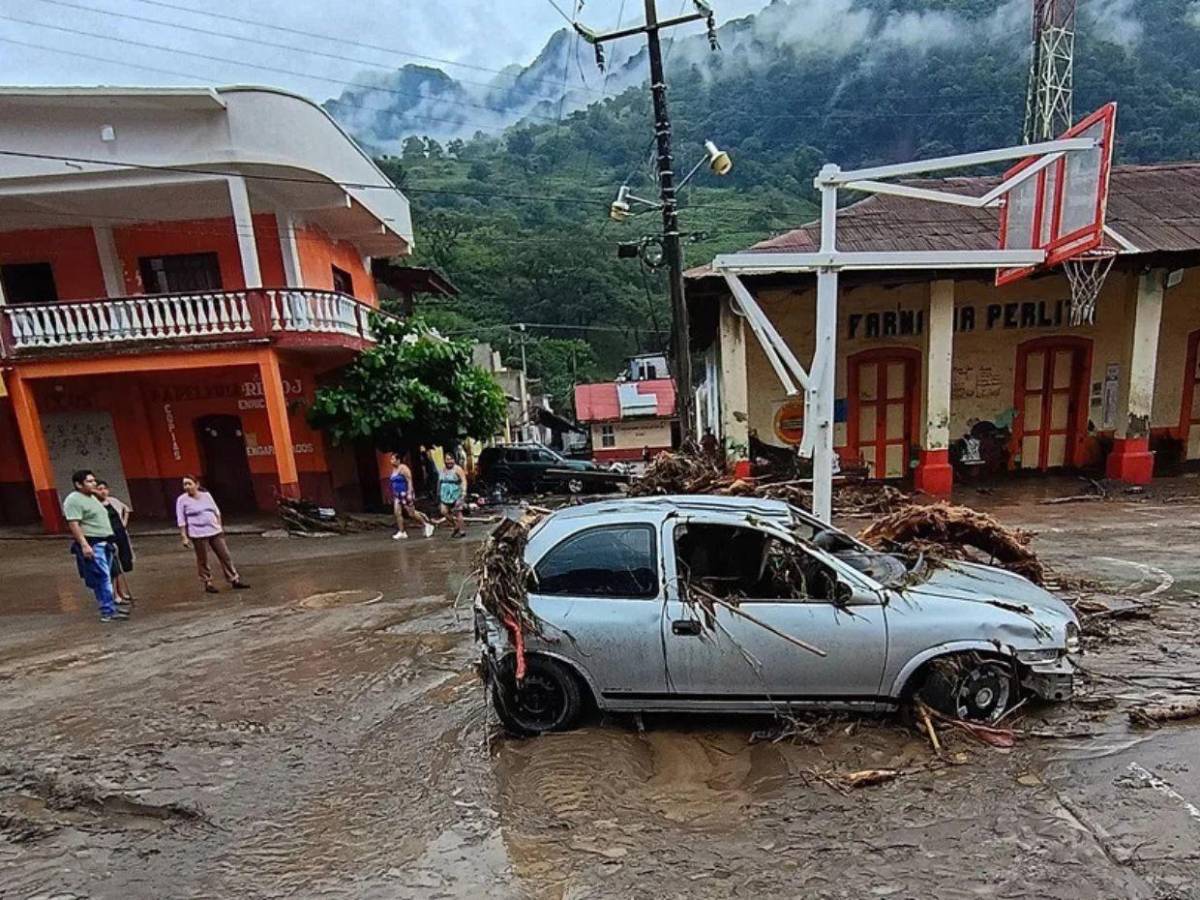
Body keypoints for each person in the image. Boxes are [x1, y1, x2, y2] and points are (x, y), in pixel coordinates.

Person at [62, 469, 129, 623]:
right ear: (78, 484)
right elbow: (74, 523)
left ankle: (109, 607)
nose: (93, 484)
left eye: (94, 481)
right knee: (103, 578)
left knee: (107, 576)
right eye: (89, 481)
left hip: (105, 541)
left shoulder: (92, 497)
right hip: (94, 542)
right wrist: (84, 545)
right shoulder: (74, 500)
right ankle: (107, 611)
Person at [176, 475, 249, 594]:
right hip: (197, 533)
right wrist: (184, 536)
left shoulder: (206, 496)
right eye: (185, 484)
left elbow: (216, 511)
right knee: (203, 559)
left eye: (189, 484)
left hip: (214, 530)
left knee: (225, 555)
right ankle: (207, 582)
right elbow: (181, 519)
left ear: (197, 484)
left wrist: (219, 527)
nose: (187, 487)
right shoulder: (182, 500)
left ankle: (234, 579)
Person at [94, 480, 135, 604]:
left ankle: (121, 592)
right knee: (112, 568)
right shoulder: (95, 505)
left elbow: (126, 509)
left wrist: (124, 524)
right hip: (108, 538)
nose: (102, 491)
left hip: (120, 536)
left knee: (120, 566)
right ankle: (114, 595)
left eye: (104, 488)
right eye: (99, 489)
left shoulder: (112, 501)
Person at [389, 452, 435, 540]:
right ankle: (401, 531)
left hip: (405, 493)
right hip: (397, 494)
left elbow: (409, 481)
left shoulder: (403, 468)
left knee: (411, 513)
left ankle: (426, 524)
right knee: (397, 512)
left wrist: (409, 493)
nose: (391, 461)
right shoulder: (393, 470)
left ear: (398, 460)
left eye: (393, 459)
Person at [438, 455, 468, 539]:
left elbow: (463, 480)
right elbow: (439, 482)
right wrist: (438, 493)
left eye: (451, 459)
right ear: (444, 460)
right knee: (443, 511)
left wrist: (464, 492)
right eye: (447, 459)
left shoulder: (457, 469)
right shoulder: (442, 470)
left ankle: (462, 531)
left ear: (454, 460)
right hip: (444, 494)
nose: (449, 461)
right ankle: (455, 525)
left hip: (456, 493)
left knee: (458, 512)